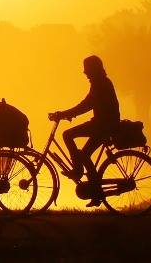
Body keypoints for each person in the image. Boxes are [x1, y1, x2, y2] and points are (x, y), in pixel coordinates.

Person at [49, 54, 120, 207]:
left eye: (86, 69)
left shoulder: (100, 83)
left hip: (104, 125)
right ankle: (95, 191)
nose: (84, 72)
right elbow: (87, 103)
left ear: (93, 69)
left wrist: (64, 114)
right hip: (102, 124)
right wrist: (66, 114)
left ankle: (78, 170)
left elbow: (87, 105)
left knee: (68, 135)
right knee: (84, 154)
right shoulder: (100, 82)